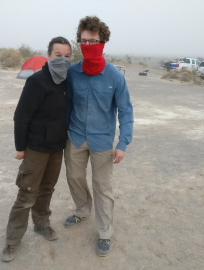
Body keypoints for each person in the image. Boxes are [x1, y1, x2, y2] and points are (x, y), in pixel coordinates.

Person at [64, 16, 134, 257]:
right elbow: (64, 104)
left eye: (93, 41)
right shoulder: (72, 72)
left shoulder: (115, 76)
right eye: (84, 41)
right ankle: (82, 209)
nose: (88, 45)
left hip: (102, 140)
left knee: (103, 187)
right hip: (74, 137)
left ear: (103, 42)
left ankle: (105, 233)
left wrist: (122, 142)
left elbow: (126, 111)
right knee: (74, 177)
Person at [0, 37, 72, 262]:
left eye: (67, 56)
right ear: (49, 56)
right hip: (36, 148)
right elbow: (21, 116)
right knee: (27, 192)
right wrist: (20, 147)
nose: (63, 60)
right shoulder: (37, 81)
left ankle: (42, 225)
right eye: (58, 55)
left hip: (56, 148)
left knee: (47, 189)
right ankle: (12, 241)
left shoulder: (68, 81)